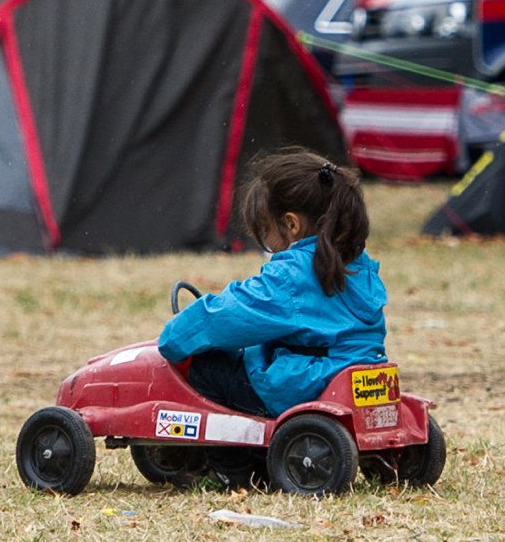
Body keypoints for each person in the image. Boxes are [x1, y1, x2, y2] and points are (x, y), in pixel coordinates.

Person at [156, 151, 384, 417]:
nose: (267, 241)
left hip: (303, 385)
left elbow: (233, 314)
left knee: (204, 369)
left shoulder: (292, 275)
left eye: (266, 231)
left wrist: (176, 336)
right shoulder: (359, 264)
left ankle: (227, 455)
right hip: (357, 373)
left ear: (291, 224)